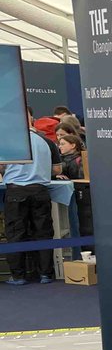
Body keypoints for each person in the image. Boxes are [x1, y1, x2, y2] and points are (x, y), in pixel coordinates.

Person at [2, 121, 55, 285]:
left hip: (17, 191)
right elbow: (55, 168)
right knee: (44, 233)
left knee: (16, 234)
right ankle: (46, 274)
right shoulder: (46, 141)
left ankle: (18, 276)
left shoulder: (10, 142)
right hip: (40, 191)